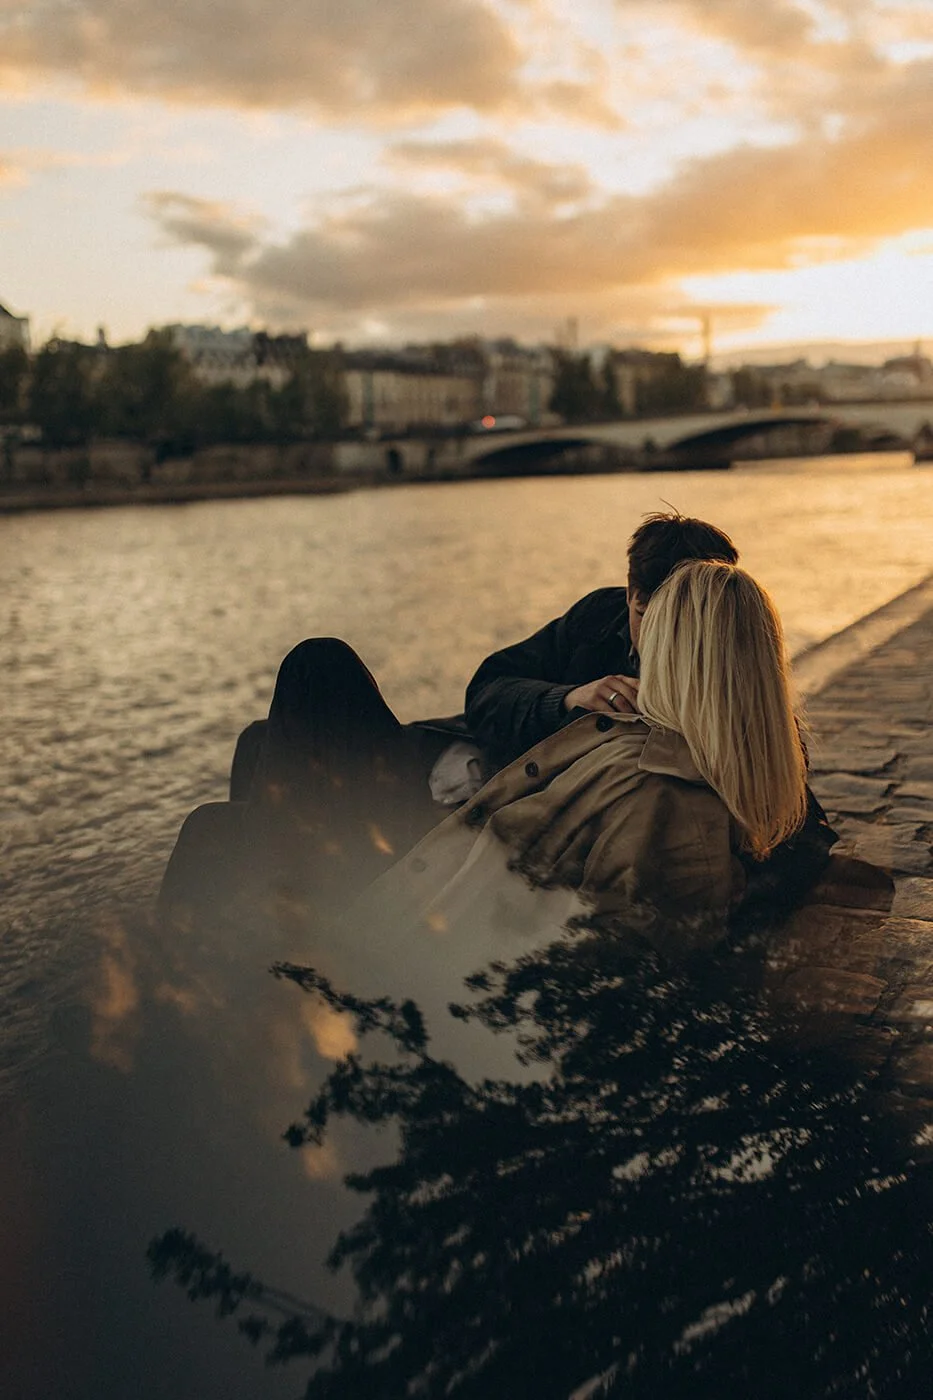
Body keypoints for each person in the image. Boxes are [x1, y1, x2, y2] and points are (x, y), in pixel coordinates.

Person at [331, 562, 811, 1074]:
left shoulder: (668, 802)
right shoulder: (648, 747)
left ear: (675, 653)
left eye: (655, 631)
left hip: (414, 976)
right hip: (417, 932)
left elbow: (604, 990)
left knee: (318, 676)